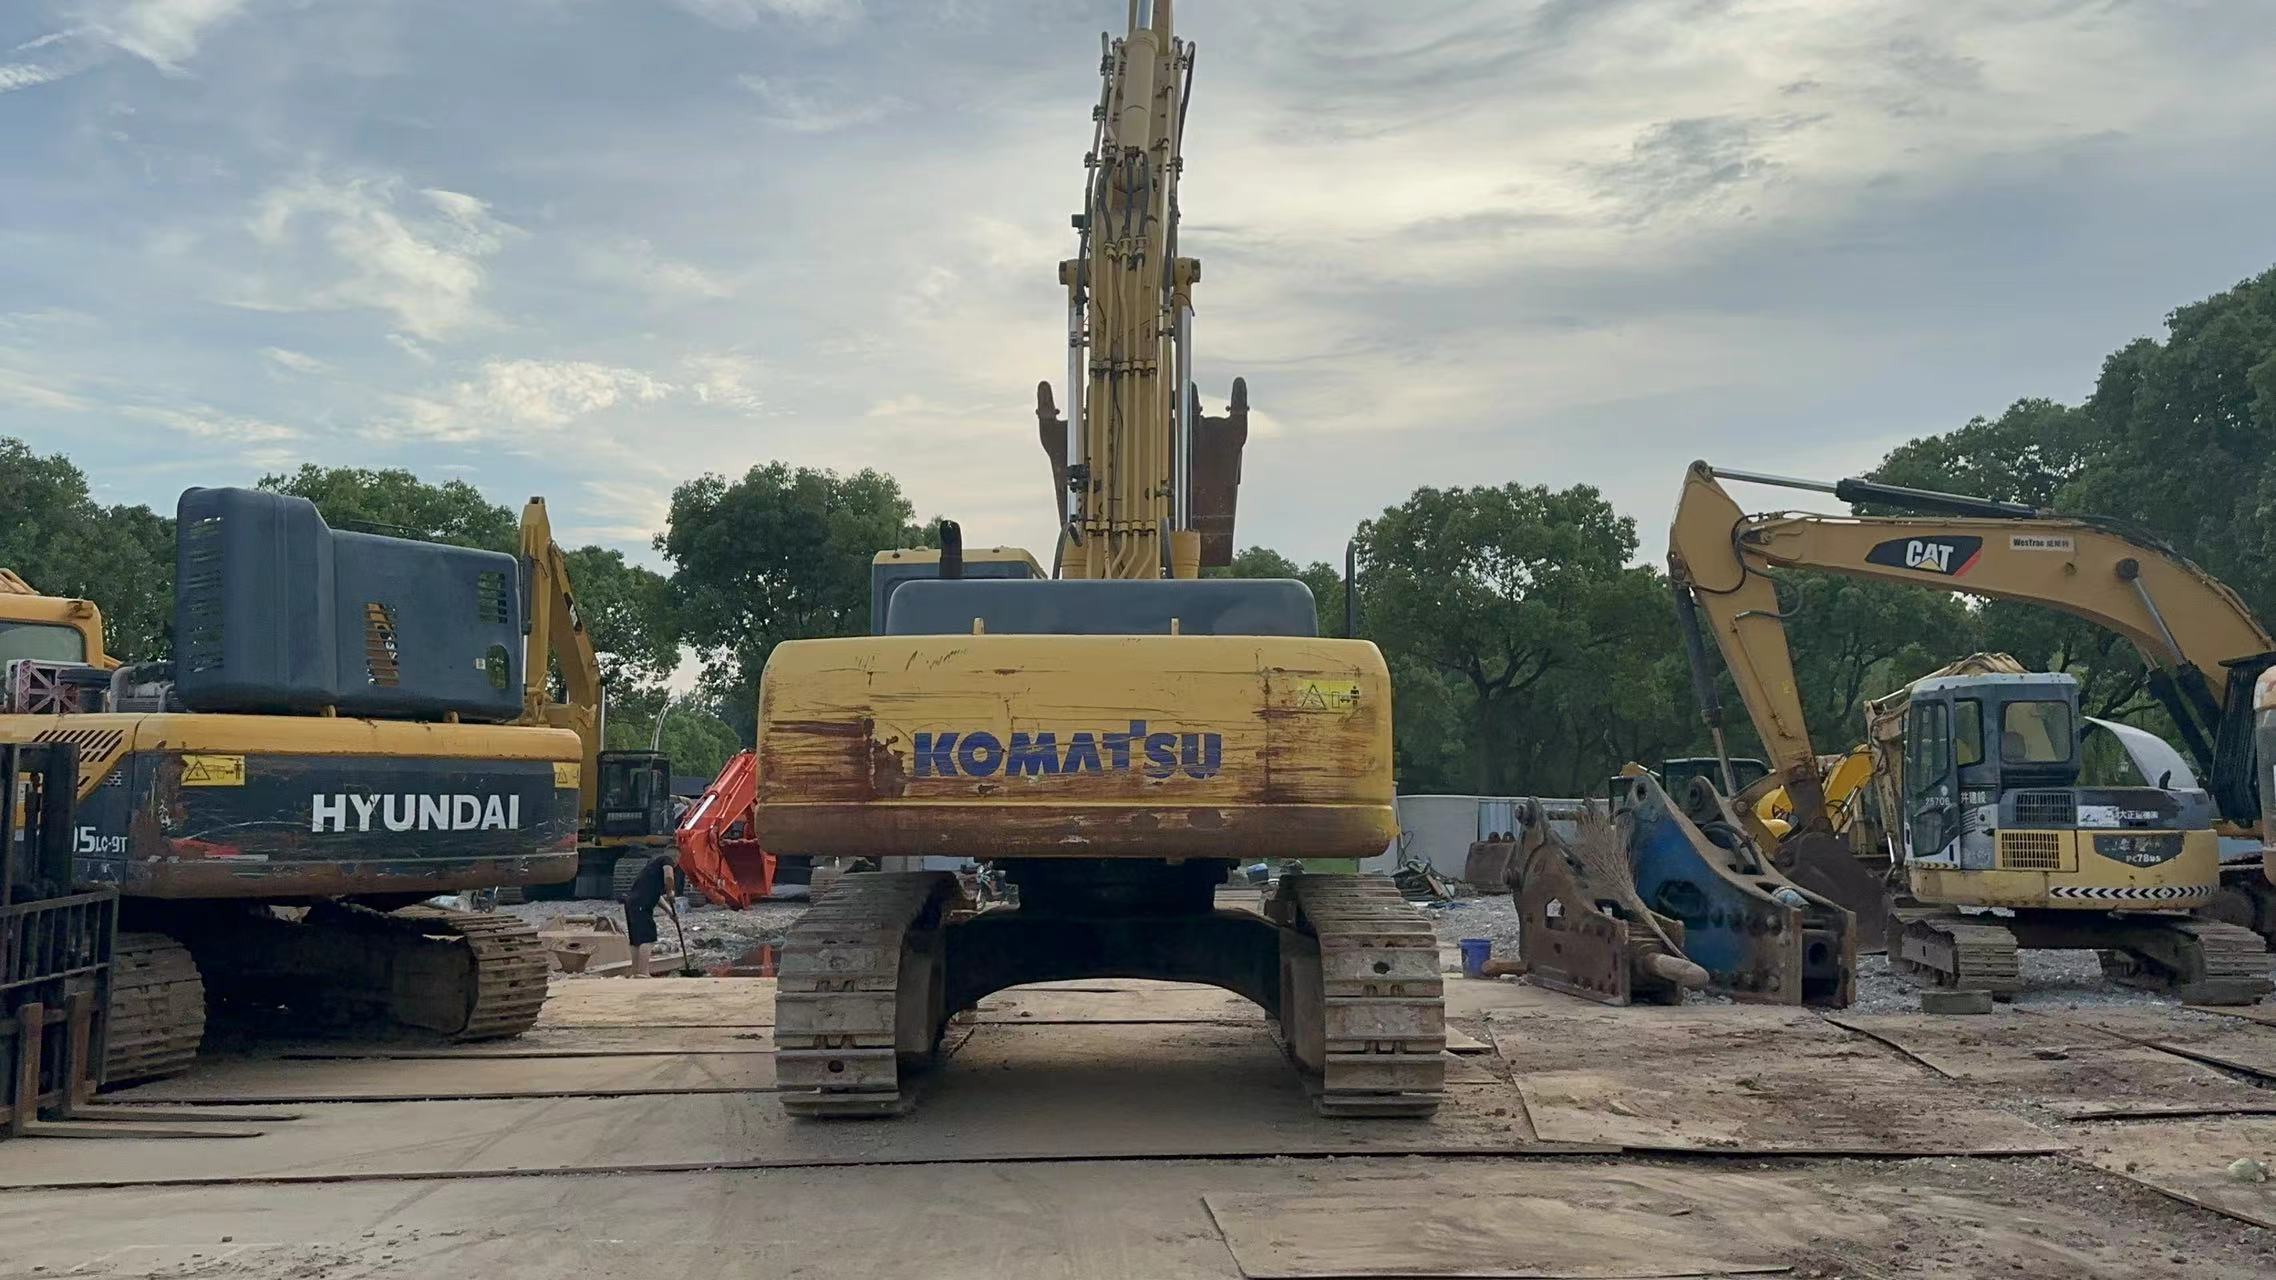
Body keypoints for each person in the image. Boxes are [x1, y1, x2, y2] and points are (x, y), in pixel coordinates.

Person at [622, 849, 681, 978]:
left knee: (636, 940)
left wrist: (670, 912)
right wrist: (670, 891)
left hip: (631, 903)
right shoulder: (667, 860)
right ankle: (643, 973)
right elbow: (669, 876)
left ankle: (635, 973)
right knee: (647, 938)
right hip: (641, 904)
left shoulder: (652, 869)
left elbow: (657, 897)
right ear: (676, 858)